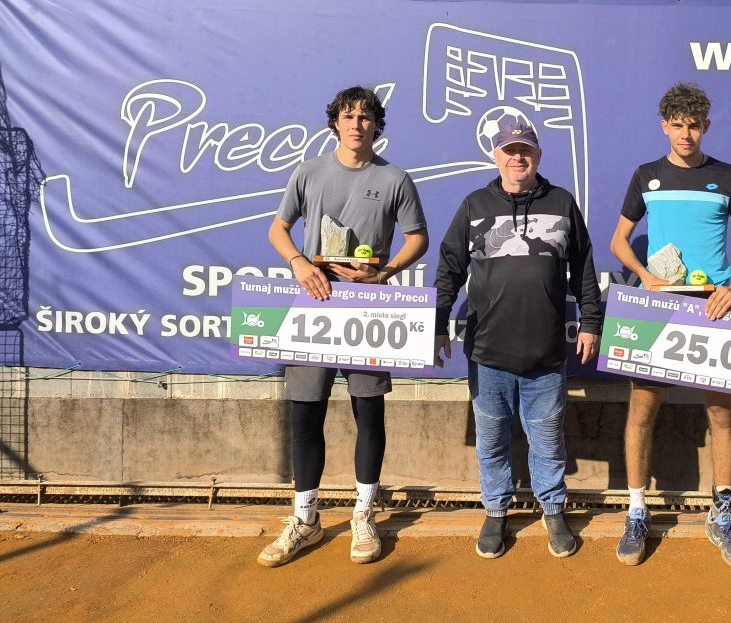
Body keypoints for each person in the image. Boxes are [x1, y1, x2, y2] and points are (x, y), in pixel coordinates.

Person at [257, 86, 429, 568]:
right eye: (349, 116)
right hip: (314, 303)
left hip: (367, 307)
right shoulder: (308, 172)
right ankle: (305, 519)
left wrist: (386, 273)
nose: (357, 124)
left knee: (368, 413)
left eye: (366, 117)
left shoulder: (395, 178)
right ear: (335, 122)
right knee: (305, 415)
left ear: (377, 125)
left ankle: (363, 514)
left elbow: (418, 237)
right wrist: (298, 263)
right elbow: (277, 229)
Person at [609, 82, 731, 570]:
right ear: (665, 126)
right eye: (677, 125)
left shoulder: (728, 177)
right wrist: (645, 277)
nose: (685, 134)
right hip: (658, 306)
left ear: (706, 127)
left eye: (694, 125)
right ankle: (637, 511)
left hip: (713, 307)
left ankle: (722, 515)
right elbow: (618, 241)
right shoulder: (646, 176)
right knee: (642, 410)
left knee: (721, 414)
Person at [434, 115, 602, 560]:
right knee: (491, 441)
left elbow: (583, 267)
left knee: (548, 441)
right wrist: (436, 323)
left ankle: (553, 510)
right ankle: (496, 510)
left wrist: (591, 322)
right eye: (510, 150)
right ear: (497, 156)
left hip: (545, 354)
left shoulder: (562, 203)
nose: (518, 157)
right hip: (488, 352)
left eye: (525, 149)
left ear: (538, 156)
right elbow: (449, 268)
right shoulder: (474, 205)